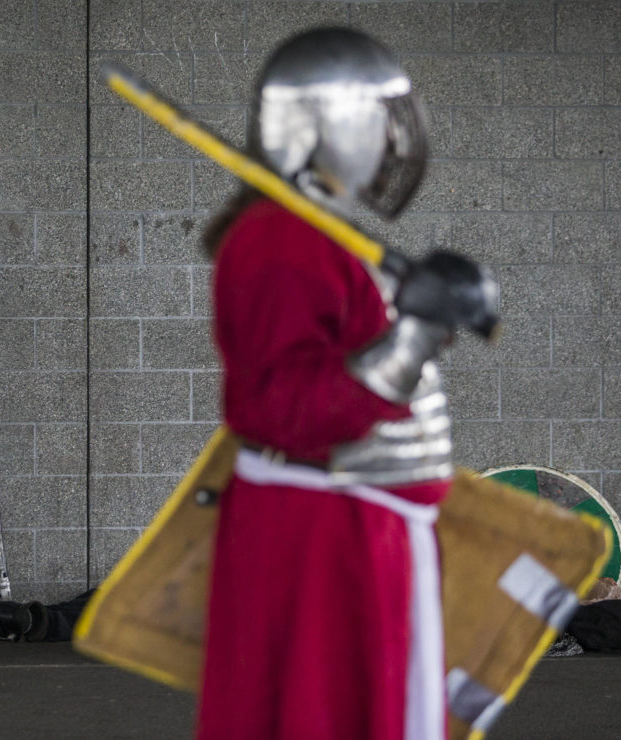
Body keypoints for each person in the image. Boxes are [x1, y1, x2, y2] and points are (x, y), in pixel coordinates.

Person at [196, 29, 497, 739]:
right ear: (324, 123)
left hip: (348, 530)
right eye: (379, 118)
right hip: (322, 537)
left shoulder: (308, 231)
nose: (395, 143)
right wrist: (414, 335)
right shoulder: (280, 240)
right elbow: (282, 409)